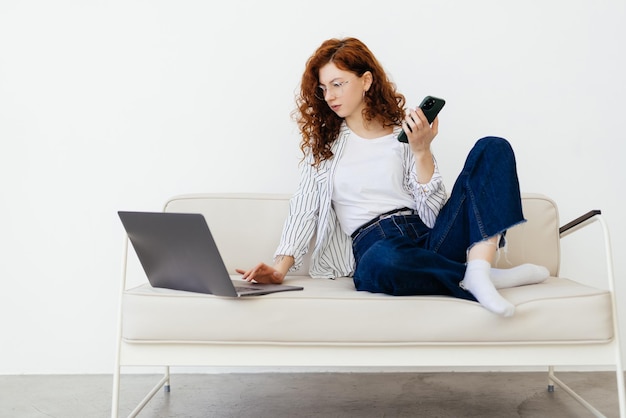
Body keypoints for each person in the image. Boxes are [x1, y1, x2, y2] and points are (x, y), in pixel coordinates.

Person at [236, 37, 548, 317]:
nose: (329, 95)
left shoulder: (404, 135)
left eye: (338, 84)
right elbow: (303, 210)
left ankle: (478, 269)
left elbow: (432, 215)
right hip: (375, 244)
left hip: (427, 235)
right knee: (383, 262)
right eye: (324, 88)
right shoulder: (324, 151)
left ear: (366, 80)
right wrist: (279, 269)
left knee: (492, 147)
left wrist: (422, 150)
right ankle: (480, 276)